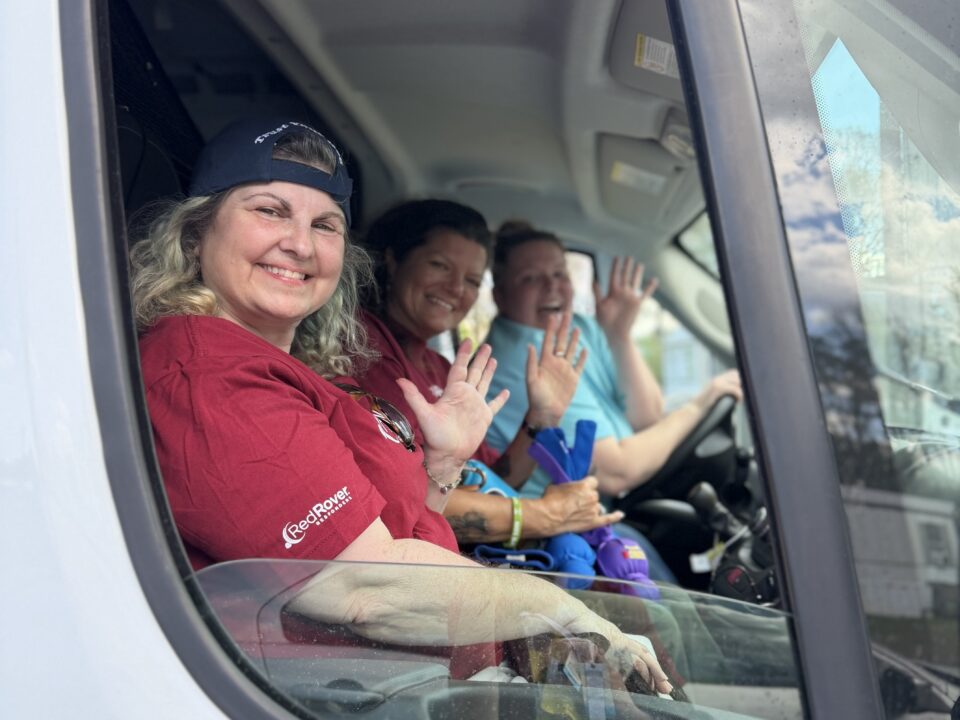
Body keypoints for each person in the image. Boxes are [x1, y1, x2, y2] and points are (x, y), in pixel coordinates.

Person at [130, 117, 670, 692]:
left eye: (326, 224)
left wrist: (440, 467)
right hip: (329, 694)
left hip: (418, 676)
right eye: (270, 210)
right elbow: (365, 587)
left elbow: (384, 529)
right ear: (195, 234)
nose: (301, 244)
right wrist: (565, 609)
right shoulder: (211, 373)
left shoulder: (293, 367)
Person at [357, 199, 624, 547]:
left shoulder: (440, 367)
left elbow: (488, 481)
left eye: (471, 280)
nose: (456, 289)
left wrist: (540, 417)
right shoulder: (361, 354)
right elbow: (403, 502)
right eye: (439, 266)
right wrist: (547, 515)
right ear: (393, 261)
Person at [484, 221, 743, 500]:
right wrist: (699, 406)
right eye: (530, 278)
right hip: (555, 529)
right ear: (500, 296)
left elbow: (647, 418)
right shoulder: (517, 359)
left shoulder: (578, 328)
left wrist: (619, 336)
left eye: (560, 273)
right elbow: (618, 473)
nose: (552, 287)